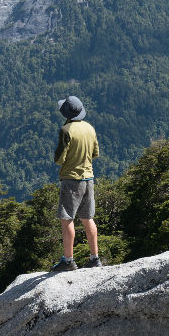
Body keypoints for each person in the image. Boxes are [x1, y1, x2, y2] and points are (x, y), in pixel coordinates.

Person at [51, 95, 101, 271]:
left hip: (71, 179)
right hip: (89, 178)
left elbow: (60, 158)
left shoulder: (66, 130)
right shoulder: (90, 128)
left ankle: (68, 260)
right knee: (88, 218)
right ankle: (95, 258)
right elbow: (95, 153)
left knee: (67, 219)